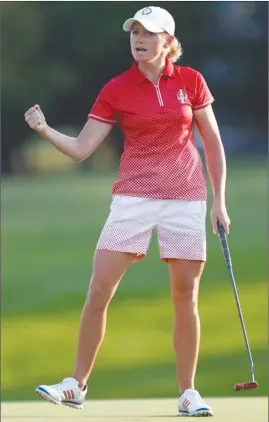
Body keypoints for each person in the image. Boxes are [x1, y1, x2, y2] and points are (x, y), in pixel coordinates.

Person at [24, 5, 230, 417]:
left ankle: (188, 392)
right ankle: (76, 385)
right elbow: (83, 148)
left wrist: (219, 202)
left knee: (184, 295)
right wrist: (45, 130)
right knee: (100, 288)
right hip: (133, 199)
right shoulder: (117, 88)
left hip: (186, 199)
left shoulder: (190, 81)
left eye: (148, 33)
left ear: (168, 42)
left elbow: (213, 142)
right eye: (134, 31)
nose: (139, 39)